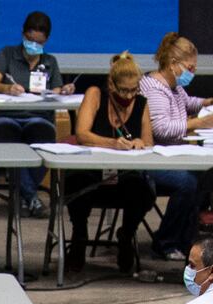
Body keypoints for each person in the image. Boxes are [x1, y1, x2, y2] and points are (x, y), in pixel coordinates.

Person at [140, 34, 213, 263]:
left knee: (203, 177)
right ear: (173, 63)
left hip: (175, 154)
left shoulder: (173, 86)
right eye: (189, 67)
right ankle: (165, 241)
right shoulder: (154, 89)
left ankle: (187, 240)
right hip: (154, 157)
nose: (192, 72)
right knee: (187, 183)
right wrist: (196, 123)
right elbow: (161, 129)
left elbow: (188, 102)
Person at [66, 52, 157, 275]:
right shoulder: (95, 94)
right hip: (92, 175)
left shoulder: (141, 103)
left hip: (124, 177)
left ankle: (126, 235)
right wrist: (112, 143)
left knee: (144, 190)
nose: (128, 95)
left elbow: (148, 142)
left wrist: (138, 143)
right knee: (75, 182)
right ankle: (79, 236)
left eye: (133, 90)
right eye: (123, 90)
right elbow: (82, 134)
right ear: (112, 85)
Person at [0, 11, 64, 215]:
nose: (33, 45)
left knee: (46, 140)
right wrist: (7, 89)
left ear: (46, 40)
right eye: (30, 40)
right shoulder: (7, 54)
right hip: (6, 117)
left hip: (38, 118)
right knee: (7, 140)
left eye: (39, 42)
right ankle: (31, 196)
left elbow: (56, 90)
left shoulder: (51, 62)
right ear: (23, 34)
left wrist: (63, 91)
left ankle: (21, 192)